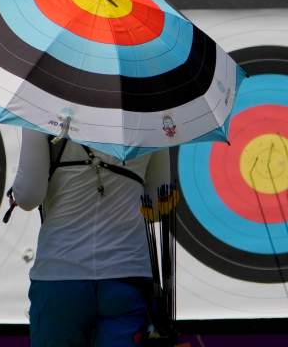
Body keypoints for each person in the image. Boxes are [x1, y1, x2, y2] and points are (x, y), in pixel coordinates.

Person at [10, 130, 172, 347]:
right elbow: (157, 203)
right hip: (129, 274)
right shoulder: (150, 109)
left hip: (60, 275)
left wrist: (17, 192)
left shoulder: (42, 106)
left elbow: (29, 196)